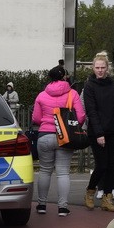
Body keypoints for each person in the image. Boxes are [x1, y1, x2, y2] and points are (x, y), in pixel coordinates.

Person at [31, 68, 85, 216]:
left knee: (44, 171)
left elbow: (35, 118)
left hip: (45, 136)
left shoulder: (41, 95)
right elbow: (80, 117)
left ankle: (41, 205)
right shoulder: (72, 94)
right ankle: (62, 207)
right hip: (65, 137)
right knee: (62, 173)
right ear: (65, 77)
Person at [81, 51, 114, 212]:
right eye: (97, 67)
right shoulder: (89, 86)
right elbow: (91, 111)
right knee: (102, 165)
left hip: (113, 131)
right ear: (93, 68)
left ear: (107, 68)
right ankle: (90, 191)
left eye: (102, 67)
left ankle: (107, 198)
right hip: (96, 132)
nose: (100, 70)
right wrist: (99, 134)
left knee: (112, 165)